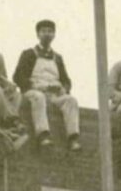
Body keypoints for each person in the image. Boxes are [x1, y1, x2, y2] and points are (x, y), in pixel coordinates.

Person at [13, 20, 81, 148]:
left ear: (54, 35)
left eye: (50, 31)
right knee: (39, 97)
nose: (47, 34)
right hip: (34, 92)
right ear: (38, 34)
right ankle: (43, 135)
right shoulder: (29, 54)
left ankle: (73, 138)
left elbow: (66, 80)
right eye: (44, 31)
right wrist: (34, 85)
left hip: (53, 95)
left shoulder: (57, 58)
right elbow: (18, 76)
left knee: (71, 100)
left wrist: (63, 89)